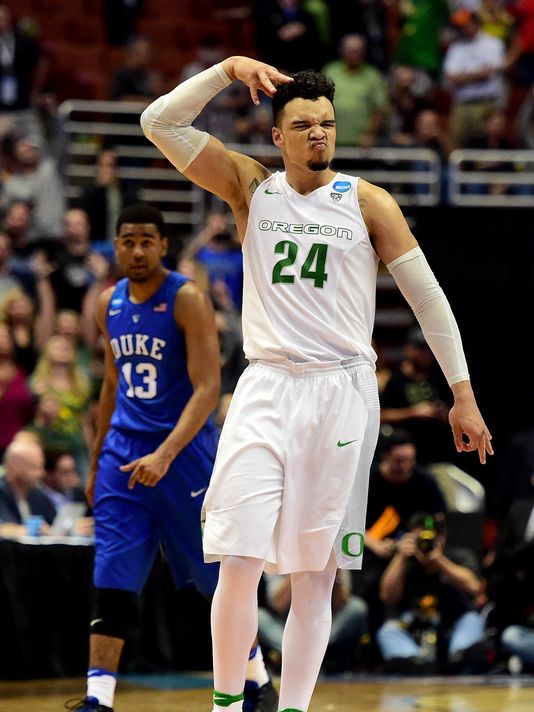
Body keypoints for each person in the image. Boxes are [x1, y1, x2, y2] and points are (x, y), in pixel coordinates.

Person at [141, 55, 492, 712]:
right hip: (266, 384)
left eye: (326, 123)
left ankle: (294, 708)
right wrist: (226, 70)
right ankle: (226, 705)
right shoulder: (251, 186)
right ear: (278, 135)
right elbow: (158, 122)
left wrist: (462, 394)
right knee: (237, 559)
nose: (318, 135)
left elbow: (428, 299)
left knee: (314, 575)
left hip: (340, 394)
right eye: (303, 125)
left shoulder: (367, 202)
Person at [68, 204, 276, 712]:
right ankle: (98, 698)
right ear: (116, 247)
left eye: (147, 241)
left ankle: (256, 679)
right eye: (127, 241)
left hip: (184, 458)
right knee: (113, 576)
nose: (137, 250)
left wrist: (164, 454)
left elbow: (208, 389)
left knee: (215, 582)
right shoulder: (108, 302)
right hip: (123, 457)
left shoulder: (187, 299)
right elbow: (111, 385)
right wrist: (95, 464)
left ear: (163, 245)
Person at [376, 512, 487, 674]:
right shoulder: (403, 560)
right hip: (413, 627)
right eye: (419, 539)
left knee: (473, 619)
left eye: (430, 539)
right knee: (387, 631)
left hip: (453, 624)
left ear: (442, 538)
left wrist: (440, 561)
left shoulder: (458, 556)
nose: (425, 544)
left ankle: (460, 658)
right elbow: (387, 596)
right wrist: (401, 557)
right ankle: (416, 663)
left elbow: (474, 586)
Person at [0, 437, 55, 538]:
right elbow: (3, 529)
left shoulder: (38, 495)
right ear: (13, 467)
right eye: (34, 467)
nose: (41, 473)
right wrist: (30, 530)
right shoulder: (2, 492)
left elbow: (54, 524)